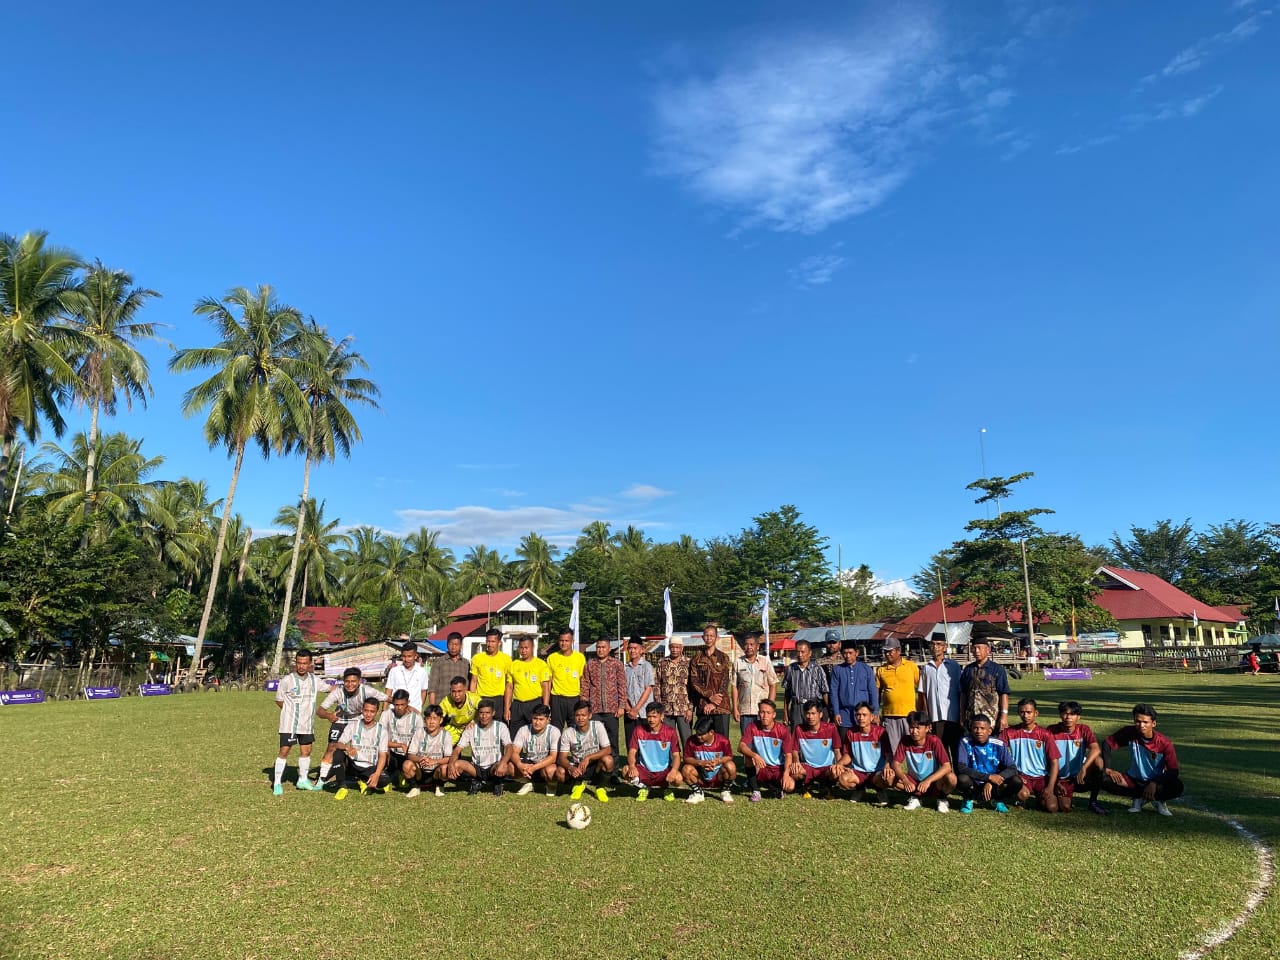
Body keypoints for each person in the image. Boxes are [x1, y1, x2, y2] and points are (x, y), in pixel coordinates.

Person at [1100, 703, 1184, 816]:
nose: (1141, 725)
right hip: (1133, 780)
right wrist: (1107, 768)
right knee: (1104, 780)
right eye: (1138, 721)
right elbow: (1107, 743)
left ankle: (1157, 800)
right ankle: (1139, 798)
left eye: (1145, 722)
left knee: (1177, 786)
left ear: (1153, 723)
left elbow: (1173, 771)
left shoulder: (1164, 743)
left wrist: (1154, 783)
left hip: (1155, 782)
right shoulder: (1129, 732)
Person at [315, 667, 387, 785]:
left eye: (353, 681)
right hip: (340, 720)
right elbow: (319, 711)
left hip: (358, 720)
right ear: (343, 681)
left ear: (359, 681)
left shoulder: (367, 690)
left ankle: (357, 772)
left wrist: (405, 706)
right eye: (347, 681)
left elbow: (388, 698)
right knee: (332, 747)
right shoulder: (338, 691)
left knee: (359, 747)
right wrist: (328, 716)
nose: (350, 684)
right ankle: (321, 779)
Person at [273, 650, 324, 794]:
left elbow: (330, 688)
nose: (301, 666)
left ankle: (302, 779)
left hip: (307, 724)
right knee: (284, 750)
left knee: (306, 751)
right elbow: (279, 700)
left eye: (304, 663)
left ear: (310, 664)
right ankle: (277, 783)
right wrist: (290, 711)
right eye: (299, 663)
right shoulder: (287, 680)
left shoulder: (315, 680)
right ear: (296, 663)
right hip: (289, 723)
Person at [1047, 700, 1106, 815]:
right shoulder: (1051, 730)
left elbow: (1096, 749)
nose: (1068, 717)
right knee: (1064, 808)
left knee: (1099, 762)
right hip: (1059, 777)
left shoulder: (1083, 729)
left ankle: (1093, 802)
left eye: (1072, 714)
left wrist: (1084, 767)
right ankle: (1059, 794)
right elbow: (1045, 757)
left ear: (1078, 717)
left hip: (1079, 775)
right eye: (1065, 713)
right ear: (1060, 715)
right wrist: (1055, 780)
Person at [891, 711, 956, 813]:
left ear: (927, 728)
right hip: (913, 781)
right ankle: (915, 798)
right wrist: (905, 780)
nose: (914, 731)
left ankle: (942, 798)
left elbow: (947, 766)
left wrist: (928, 781)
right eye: (912, 727)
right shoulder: (905, 741)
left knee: (951, 778)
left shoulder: (934, 741)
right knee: (889, 776)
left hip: (933, 783)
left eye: (918, 728)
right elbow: (895, 763)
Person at [1004, 698, 1061, 812]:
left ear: (1036, 713)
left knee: (1052, 808)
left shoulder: (1045, 734)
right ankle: (1018, 800)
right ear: (1018, 713)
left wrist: (1050, 787)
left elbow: (1055, 762)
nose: (1025, 715)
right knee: (1023, 794)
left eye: (1029, 712)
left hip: (1041, 777)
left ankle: (1040, 799)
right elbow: (999, 753)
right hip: (1022, 776)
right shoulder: (1009, 732)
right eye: (1022, 712)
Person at [955, 714, 1019, 814]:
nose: (979, 731)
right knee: (962, 778)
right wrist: (988, 777)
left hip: (994, 784)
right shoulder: (964, 741)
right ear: (971, 729)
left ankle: (998, 799)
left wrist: (993, 780)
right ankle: (968, 799)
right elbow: (961, 767)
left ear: (989, 730)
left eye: (982, 728)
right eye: (975, 728)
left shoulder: (999, 743)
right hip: (974, 782)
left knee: (1016, 781)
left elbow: (1012, 768)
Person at [449, 702, 512, 797]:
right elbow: (457, 749)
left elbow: (509, 747)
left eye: (487, 713)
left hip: (494, 767)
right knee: (457, 764)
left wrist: (503, 763)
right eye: (481, 713)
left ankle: (497, 782)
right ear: (478, 713)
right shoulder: (471, 728)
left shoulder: (501, 726)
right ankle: (476, 782)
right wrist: (451, 764)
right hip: (476, 768)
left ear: (493, 713)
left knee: (510, 767)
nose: (484, 716)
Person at [622, 702, 683, 802]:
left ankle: (666, 789)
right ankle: (644, 787)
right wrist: (632, 766)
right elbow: (632, 752)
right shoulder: (639, 730)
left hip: (663, 772)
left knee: (678, 778)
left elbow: (676, 755)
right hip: (644, 770)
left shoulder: (670, 732)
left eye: (654, 716)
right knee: (626, 770)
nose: (651, 719)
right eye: (649, 716)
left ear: (662, 716)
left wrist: (673, 770)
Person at [332, 697, 391, 799]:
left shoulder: (382, 730)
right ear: (362, 710)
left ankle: (363, 780)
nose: (368, 714)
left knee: (384, 781)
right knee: (338, 753)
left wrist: (377, 774)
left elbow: (382, 755)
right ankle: (342, 786)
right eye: (366, 710)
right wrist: (347, 748)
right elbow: (338, 743)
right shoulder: (353, 725)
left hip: (370, 767)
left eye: (372, 711)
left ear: (377, 712)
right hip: (353, 764)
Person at [836, 702, 895, 803]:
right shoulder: (851, 732)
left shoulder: (881, 732)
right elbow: (848, 755)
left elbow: (888, 754)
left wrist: (887, 766)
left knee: (889, 777)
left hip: (877, 772)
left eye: (864, 715)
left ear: (872, 717)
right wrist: (839, 764)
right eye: (858, 715)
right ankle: (859, 789)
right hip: (858, 772)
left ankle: (880, 790)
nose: (861, 718)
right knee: (842, 779)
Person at [558, 700, 616, 802]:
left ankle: (600, 788)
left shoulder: (597, 726)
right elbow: (561, 758)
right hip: (578, 766)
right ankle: (578, 785)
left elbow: (607, 749)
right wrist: (571, 768)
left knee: (608, 760)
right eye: (577, 715)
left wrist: (588, 758)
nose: (580, 718)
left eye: (583, 715)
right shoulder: (568, 733)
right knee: (560, 772)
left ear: (589, 715)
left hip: (595, 765)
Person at [738, 699, 796, 801]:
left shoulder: (782, 730)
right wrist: (755, 755)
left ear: (774, 715)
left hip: (778, 768)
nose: (765, 716)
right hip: (762, 766)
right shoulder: (752, 727)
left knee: (790, 786)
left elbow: (788, 755)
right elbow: (741, 746)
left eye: (768, 713)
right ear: (758, 713)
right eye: (762, 712)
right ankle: (756, 790)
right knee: (748, 756)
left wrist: (786, 774)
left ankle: (775, 787)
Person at [960, 624, 1012, 733]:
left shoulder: (997, 670)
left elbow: (1004, 694)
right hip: (972, 718)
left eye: (979, 648)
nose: (976, 651)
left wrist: (1004, 715)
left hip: (991, 717)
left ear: (988, 650)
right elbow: (964, 694)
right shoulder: (968, 670)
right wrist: (962, 715)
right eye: (974, 648)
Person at [918, 634, 963, 763]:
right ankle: (945, 781)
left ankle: (960, 781)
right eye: (933, 644)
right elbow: (923, 694)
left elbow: (960, 692)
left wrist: (961, 715)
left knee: (956, 751)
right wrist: (926, 717)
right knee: (940, 753)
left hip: (953, 716)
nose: (935, 647)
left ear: (945, 647)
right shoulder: (927, 668)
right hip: (935, 718)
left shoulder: (953, 666)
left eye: (939, 644)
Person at [875, 638, 922, 755]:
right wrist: (876, 712)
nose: (887, 654)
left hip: (909, 715)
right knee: (893, 749)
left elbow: (921, 689)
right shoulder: (881, 670)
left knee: (912, 747)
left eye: (890, 651)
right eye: (885, 651)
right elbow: (877, 692)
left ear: (898, 651)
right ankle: (895, 772)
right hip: (890, 716)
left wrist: (920, 711)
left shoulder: (911, 666)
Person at [582, 637, 627, 757]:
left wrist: (621, 706)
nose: (600, 650)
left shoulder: (617, 664)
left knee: (613, 740)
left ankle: (613, 771)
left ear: (609, 648)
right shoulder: (590, 664)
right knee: (595, 741)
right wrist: (585, 707)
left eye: (603, 647)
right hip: (594, 709)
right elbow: (585, 686)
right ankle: (597, 770)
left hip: (612, 709)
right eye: (598, 647)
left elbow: (622, 685)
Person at [505, 704, 563, 796]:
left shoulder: (554, 731)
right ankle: (527, 782)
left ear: (548, 720)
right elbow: (514, 752)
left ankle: (551, 785)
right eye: (535, 718)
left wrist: (533, 768)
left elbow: (553, 757)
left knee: (551, 770)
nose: (537, 722)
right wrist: (520, 765)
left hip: (545, 765)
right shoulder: (523, 730)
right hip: (529, 763)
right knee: (510, 767)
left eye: (541, 719)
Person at [789, 699, 841, 799]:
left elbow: (837, 750)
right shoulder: (799, 729)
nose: (810, 717)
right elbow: (794, 750)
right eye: (807, 713)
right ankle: (807, 785)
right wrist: (796, 762)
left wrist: (839, 765)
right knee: (795, 771)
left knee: (836, 772)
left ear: (820, 714)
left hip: (826, 767)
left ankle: (828, 786)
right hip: (808, 767)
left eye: (813, 713)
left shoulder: (831, 728)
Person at [688, 625, 733, 738]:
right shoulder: (696, 659)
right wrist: (709, 696)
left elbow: (725, 681)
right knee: (703, 739)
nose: (709, 638)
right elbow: (694, 681)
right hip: (703, 706)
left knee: (722, 741)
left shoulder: (724, 657)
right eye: (707, 635)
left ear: (716, 638)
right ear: (703, 637)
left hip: (721, 706)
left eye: (712, 636)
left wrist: (714, 702)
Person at [681, 716, 737, 804]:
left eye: (701, 734)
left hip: (719, 776)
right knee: (686, 769)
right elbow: (686, 758)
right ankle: (698, 793)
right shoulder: (691, 741)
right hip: (700, 777)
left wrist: (718, 761)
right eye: (697, 733)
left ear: (711, 732)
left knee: (731, 766)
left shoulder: (723, 741)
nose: (698, 736)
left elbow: (729, 756)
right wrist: (700, 763)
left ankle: (725, 791)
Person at [403, 704, 453, 798]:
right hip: (420, 771)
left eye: (435, 718)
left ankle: (439, 785)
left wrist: (434, 761)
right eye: (429, 718)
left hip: (436, 771)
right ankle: (415, 787)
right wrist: (421, 759)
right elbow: (410, 755)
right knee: (407, 764)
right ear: (424, 720)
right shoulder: (419, 732)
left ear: (441, 720)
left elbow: (448, 758)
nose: (431, 722)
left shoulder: (446, 735)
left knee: (445, 768)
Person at [733, 632, 777, 737]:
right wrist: (735, 708)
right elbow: (734, 686)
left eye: (752, 644)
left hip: (762, 711)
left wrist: (770, 707)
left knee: (763, 740)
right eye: (746, 644)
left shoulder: (765, 661)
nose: (749, 647)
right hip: (745, 711)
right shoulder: (738, 662)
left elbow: (773, 684)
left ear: (757, 646)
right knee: (747, 742)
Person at [504, 635, 551, 732]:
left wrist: (545, 707)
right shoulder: (513, 664)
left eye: (526, 648)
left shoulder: (541, 664)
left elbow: (545, 688)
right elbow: (509, 687)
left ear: (532, 647)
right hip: (517, 705)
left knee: (534, 736)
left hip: (534, 703)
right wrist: (507, 708)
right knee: (515, 737)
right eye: (521, 648)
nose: (523, 651)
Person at [379, 689, 424, 789]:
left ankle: (405, 774)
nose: (399, 708)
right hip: (392, 752)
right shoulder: (386, 714)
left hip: (409, 754)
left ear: (408, 703)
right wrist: (399, 745)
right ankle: (383, 775)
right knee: (381, 748)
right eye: (396, 705)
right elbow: (380, 740)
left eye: (402, 704)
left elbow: (421, 741)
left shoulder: (417, 718)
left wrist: (410, 750)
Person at [829, 640, 878, 729]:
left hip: (863, 716)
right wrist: (836, 712)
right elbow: (834, 693)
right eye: (844, 653)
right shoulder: (837, 670)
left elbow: (873, 692)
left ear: (857, 652)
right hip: (844, 715)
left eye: (850, 653)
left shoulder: (866, 669)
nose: (847, 656)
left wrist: (875, 712)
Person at [654, 637, 694, 746]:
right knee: (668, 739)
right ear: (669, 647)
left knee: (687, 739)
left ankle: (688, 761)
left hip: (683, 709)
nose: (674, 650)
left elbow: (693, 687)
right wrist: (659, 708)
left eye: (677, 647)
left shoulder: (689, 663)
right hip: (666, 709)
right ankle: (671, 761)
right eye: (672, 647)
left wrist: (690, 709)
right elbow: (657, 685)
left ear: (682, 648)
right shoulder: (662, 662)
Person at [782, 640, 829, 729]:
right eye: (798, 652)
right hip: (797, 708)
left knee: (813, 735)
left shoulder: (817, 669)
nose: (800, 655)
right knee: (797, 735)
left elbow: (824, 692)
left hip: (813, 707)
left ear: (810, 653)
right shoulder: (791, 669)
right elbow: (787, 692)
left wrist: (829, 711)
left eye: (803, 652)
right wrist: (785, 712)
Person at [546, 629, 586, 729]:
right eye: (561, 640)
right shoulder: (552, 658)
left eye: (567, 641)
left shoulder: (580, 657)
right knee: (555, 730)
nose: (564, 643)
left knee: (575, 729)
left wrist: (583, 698)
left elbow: (583, 680)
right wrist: (547, 702)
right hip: (557, 699)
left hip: (575, 698)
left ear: (572, 641)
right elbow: (548, 682)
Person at [623, 638, 656, 748]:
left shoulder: (647, 666)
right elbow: (622, 690)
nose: (632, 651)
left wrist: (636, 708)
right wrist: (628, 708)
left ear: (641, 650)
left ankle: (644, 764)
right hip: (629, 712)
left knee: (645, 742)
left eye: (635, 648)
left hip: (643, 712)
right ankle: (632, 763)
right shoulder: (625, 668)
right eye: (630, 648)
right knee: (631, 741)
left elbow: (648, 689)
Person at [470, 628, 511, 715]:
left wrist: (507, 707)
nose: (489, 644)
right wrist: (472, 701)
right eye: (488, 641)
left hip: (499, 699)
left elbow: (509, 684)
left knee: (498, 725)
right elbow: (473, 681)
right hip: (482, 698)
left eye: (493, 641)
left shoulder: (506, 659)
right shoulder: (477, 658)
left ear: (499, 643)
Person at [426, 632, 469, 707]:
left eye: (456, 644)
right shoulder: (439, 662)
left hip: (461, 708)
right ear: (447, 645)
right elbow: (432, 687)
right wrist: (433, 708)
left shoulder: (466, 663)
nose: (453, 647)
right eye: (451, 644)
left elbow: (468, 686)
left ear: (461, 646)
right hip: (441, 705)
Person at [385, 640, 428, 712]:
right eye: (404, 656)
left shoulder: (422, 672)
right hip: (395, 710)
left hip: (414, 710)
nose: (406, 659)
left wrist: (419, 708)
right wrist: (384, 709)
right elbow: (388, 691)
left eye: (409, 656)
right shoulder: (394, 671)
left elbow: (423, 691)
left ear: (415, 656)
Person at [440, 676, 481, 745]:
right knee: (442, 741)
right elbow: (438, 715)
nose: (456, 695)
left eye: (459, 691)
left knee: (480, 742)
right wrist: (438, 728)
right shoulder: (446, 700)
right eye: (453, 691)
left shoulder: (474, 698)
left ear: (465, 690)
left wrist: (475, 722)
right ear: (450, 690)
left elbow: (486, 710)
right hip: (454, 727)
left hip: (471, 727)